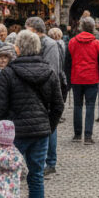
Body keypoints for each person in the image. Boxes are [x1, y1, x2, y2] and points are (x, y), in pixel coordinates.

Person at [0, 30, 64, 198]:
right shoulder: (49, 71)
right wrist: (48, 126)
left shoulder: (9, 73)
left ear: (18, 49)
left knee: (8, 178)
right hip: (40, 132)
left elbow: (0, 106)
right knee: (36, 177)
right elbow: (58, 105)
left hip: (13, 134)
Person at [25, 17, 65, 175]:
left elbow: (52, 69)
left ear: (34, 29)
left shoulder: (50, 44)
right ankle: (37, 160)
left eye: (26, 28)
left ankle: (50, 161)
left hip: (46, 90)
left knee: (50, 126)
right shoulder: (32, 42)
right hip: (33, 90)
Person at [65, 16, 99, 144]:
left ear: (81, 27)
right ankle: (87, 136)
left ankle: (77, 135)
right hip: (92, 78)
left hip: (76, 77)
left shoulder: (72, 42)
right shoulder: (97, 43)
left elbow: (68, 61)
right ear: (93, 27)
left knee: (77, 106)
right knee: (90, 106)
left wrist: (68, 77)